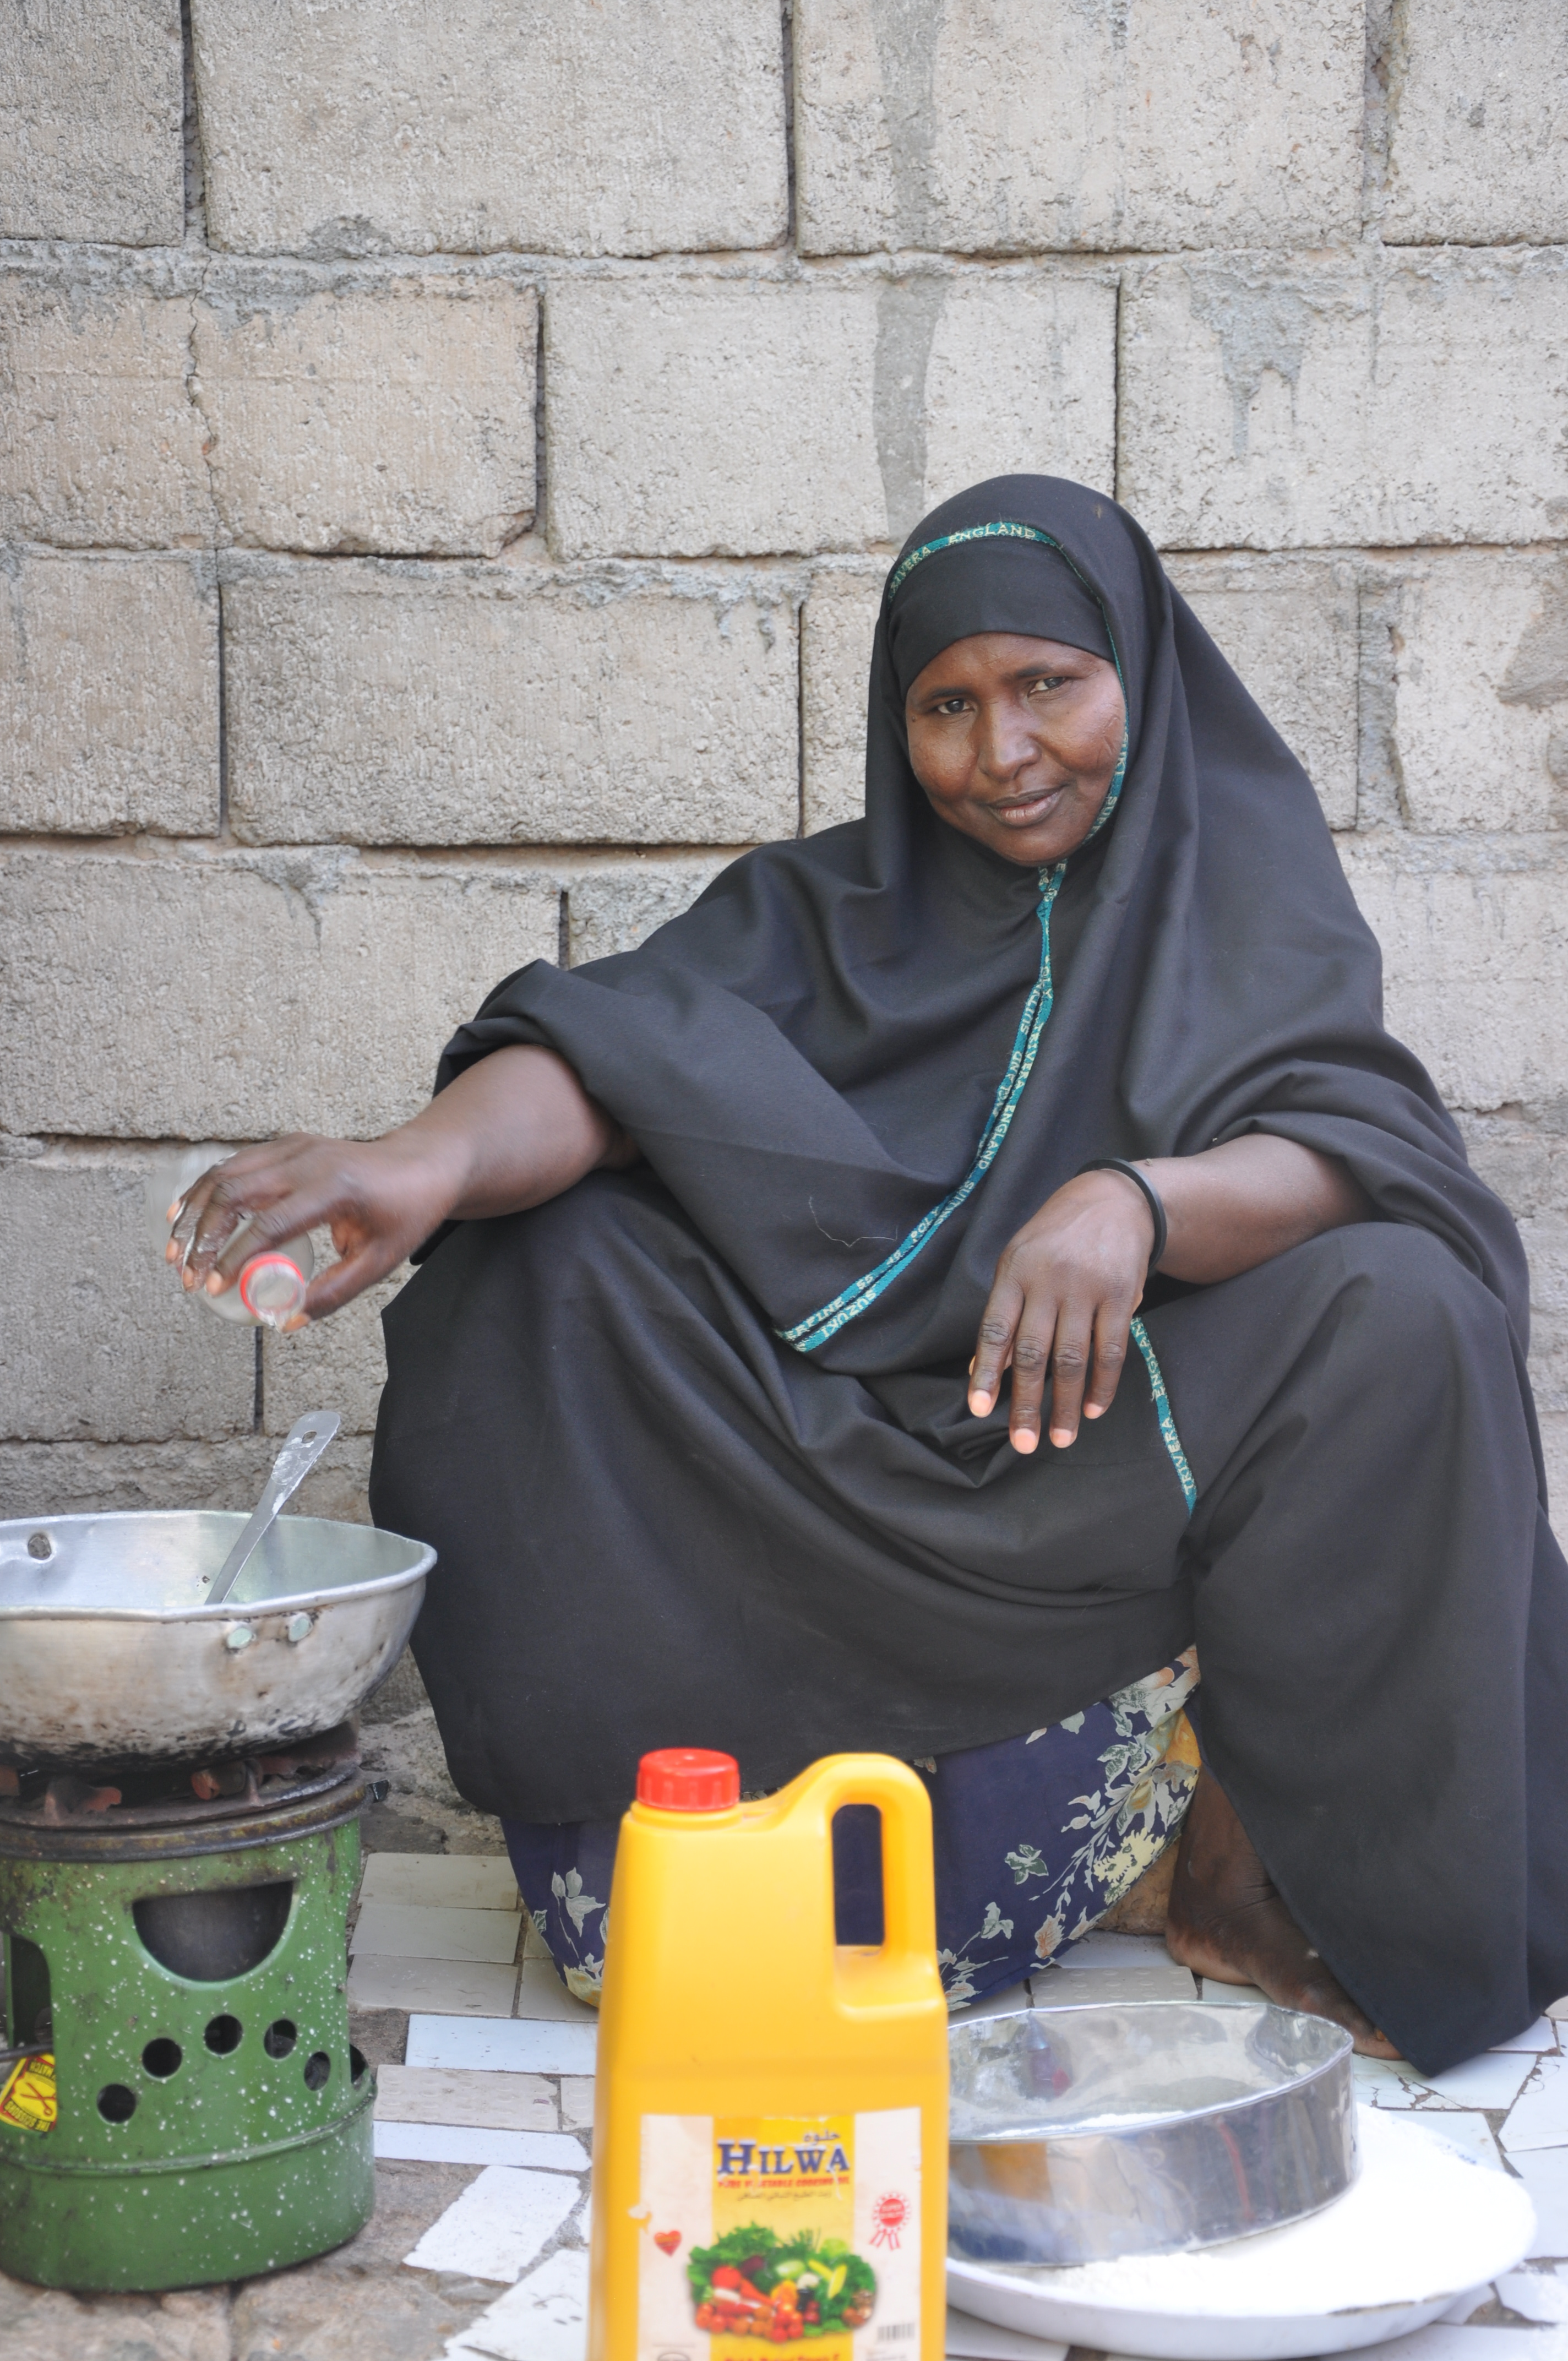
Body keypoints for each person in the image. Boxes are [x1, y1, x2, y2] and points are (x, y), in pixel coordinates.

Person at [169, 476, 1568, 2074]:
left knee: (1411, 1306)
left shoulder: (1239, 890)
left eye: (1050, 685)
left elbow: (1353, 1141)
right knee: (541, 1259)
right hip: (817, 1472)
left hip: (1088, 1443)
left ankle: (1247, 1875)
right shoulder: (815, 912)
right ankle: (688, 1848)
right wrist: (418, 1163)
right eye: (947, 704)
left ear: (1137, 673)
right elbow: (607, 1057)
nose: (1003, 751)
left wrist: (1134, 1203)